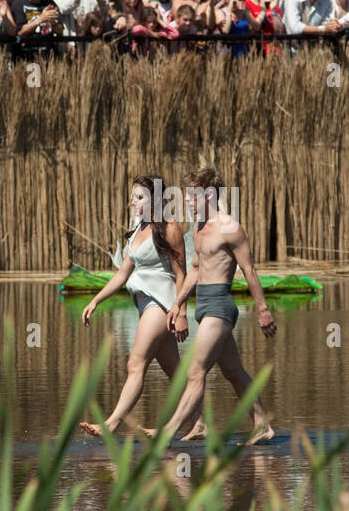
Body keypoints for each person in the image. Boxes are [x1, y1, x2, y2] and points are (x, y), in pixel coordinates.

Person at [155, 168, 275, 446]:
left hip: (221, 306)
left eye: (192, 195)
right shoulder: (198, 227)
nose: (186, 200)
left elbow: (249, 271)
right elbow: (196, 269)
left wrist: (263, 310)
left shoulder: (230, 228)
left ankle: (169, 430)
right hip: (203, 304)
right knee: (233, 371)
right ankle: (262, 425)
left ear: (209, 194)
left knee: (196, 370)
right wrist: (178, 303)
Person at [77, 175, 189, 437]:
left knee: (135, 365)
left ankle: (112, 423)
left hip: (162, 304)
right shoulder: (139, 229)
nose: (133, 201)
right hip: (143, 304)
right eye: (133, 197)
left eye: (140, 197)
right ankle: (198, 423)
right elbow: (122, 274)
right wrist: (95, 300)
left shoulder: (169, 227)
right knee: (175, 371)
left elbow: (181, 272)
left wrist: (181, 311)